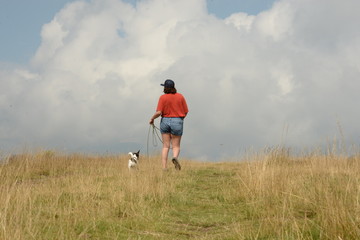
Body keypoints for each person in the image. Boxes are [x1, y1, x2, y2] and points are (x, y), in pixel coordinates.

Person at [149, 79, 189, 170]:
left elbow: (159, 112)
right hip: (177, 120)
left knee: (165, 146)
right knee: (176, 146)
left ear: (165, 88)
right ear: (173, 87)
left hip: (165, 121)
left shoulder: (162, 97)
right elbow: (186, 111)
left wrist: (152, 119)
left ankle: (164, 167)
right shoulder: (180, 97)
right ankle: (175, 157)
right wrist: (180, 119)